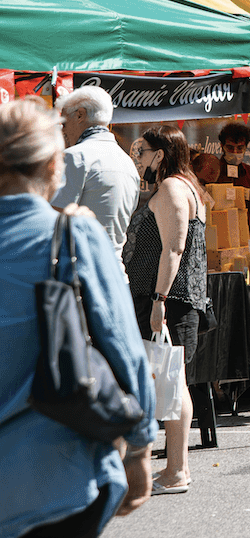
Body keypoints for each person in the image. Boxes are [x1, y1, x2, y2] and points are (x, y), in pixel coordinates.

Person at [1, 98, 155, 537]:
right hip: (58, 476)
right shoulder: (72, 235)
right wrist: (140, 447)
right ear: (54, 166)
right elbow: (122, 343)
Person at [124, 125, 210, 494]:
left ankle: (177, 470)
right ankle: (175, 468)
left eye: (142, 151)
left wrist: (159, 300)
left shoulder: (174, 187)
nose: (137, 157)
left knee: (173, 382)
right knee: (173, 381)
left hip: (167, 299)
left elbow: (174, 249)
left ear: (160, 155)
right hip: (169, 297)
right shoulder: (183, 185)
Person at [51, 85, 140, 262]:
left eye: (64, 123)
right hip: (114, 269)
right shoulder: (127, 162)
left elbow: (54, 221)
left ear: (80, 115)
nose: (63, 131)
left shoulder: (75, 157)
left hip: (80, 269)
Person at [212, 122, 250, 249]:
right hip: (220, 244)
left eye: (240, 148)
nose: (235, 152)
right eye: (230, 148)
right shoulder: (212, 173)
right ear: (221, 146)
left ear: (246, 147)